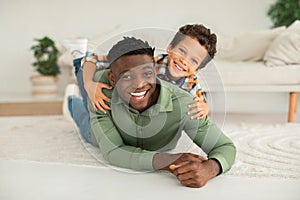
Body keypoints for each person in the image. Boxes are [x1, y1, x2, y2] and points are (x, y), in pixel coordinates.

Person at [88, 36, 236, 188]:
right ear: (112, 79)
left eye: (146, 74)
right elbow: (113, 151)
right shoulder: (100, 90)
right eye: (127, 76)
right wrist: (169, 160)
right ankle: (72, 100)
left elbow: (224, 147)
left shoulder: (184, 104)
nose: (139, 84)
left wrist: (209, 169)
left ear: (155, 71)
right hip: (92, 132)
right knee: (79, 114)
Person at [68, 24, 217, 143]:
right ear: (170, 47)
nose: (184, 61)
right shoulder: (145, 60)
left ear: (198, 69)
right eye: (182, 51)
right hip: (117, 99)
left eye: (194, 61)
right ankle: (76, 67)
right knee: (93, 134)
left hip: (136, 121)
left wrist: (205, 107)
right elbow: (92, 61)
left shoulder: (190, 85)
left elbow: (201, 106)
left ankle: (75, 99)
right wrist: (89, 84)